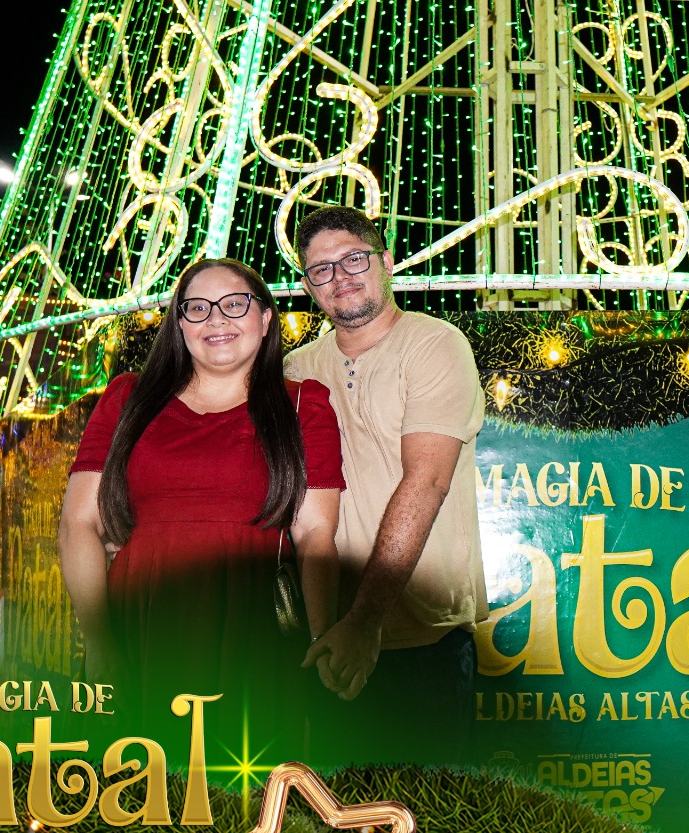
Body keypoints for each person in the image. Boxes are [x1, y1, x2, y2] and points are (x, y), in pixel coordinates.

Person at [58, 258, 343, 758]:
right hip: (139, 624)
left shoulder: (304, 405)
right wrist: (99, 643)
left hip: (256, 629)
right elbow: (78, 524)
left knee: (246, 784)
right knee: (140, 781)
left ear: (266, 319)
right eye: (197, 308)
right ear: (180, 323)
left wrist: (322, 640)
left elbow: (316, 535)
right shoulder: (127, 398)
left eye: (235, 305)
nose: (216, 320)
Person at [286, 206, 487, 765]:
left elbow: (427, 481)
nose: (340, 277)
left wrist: (364, 622)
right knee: (332, 810)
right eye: (321, 269)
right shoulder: (294, 370)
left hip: (425, 640)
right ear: (309, 286)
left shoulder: (434, 344)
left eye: (354, 259)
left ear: (386, 262)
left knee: (427, 812)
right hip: (326, 642)